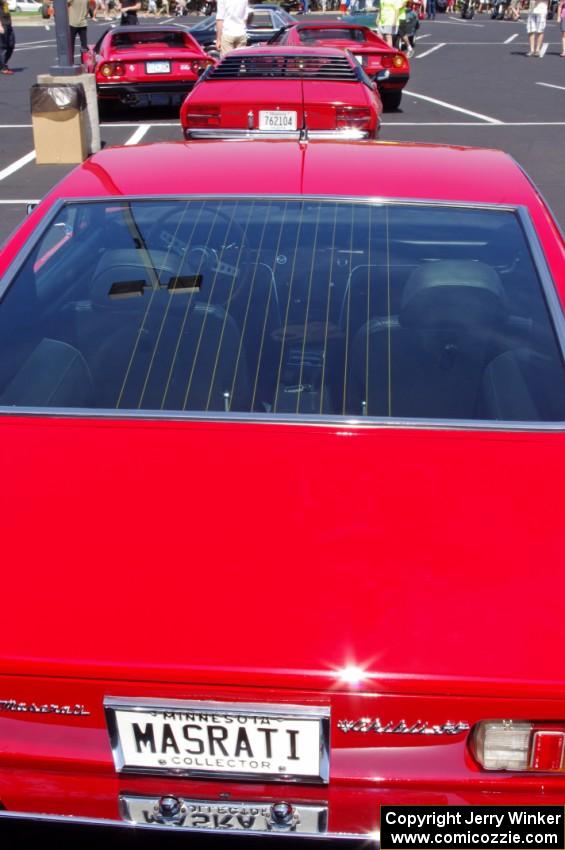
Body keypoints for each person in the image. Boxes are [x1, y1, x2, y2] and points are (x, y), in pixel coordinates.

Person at [0, 0, 15, 75]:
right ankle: (3, 67)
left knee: (11, 46)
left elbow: (8, 15)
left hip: (8, 26)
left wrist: (10, 24)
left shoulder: (5, 5)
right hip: (2, 26)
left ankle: (2, 64)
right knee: (2, 47)